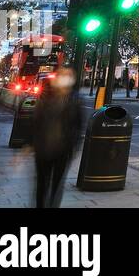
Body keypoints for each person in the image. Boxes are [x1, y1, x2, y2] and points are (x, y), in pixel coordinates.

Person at [32, 67, 82, 208]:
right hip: (43, 148)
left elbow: (78, 125)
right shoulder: (46, 95)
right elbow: (36, 120)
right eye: (63, 75)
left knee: (57, 184)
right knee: (42, 184)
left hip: (63, 150)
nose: (65, 78)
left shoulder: (75, 100)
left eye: (69, 76)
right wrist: (32, 143)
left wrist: (73, 147)